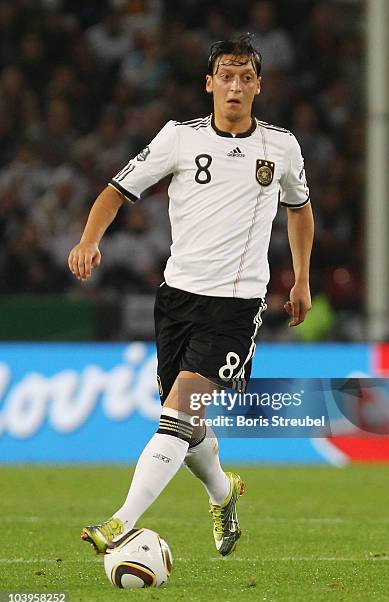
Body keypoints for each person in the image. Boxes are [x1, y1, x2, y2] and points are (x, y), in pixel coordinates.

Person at [68, 34, 313, 557]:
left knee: (178, 412)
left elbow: (300, 208)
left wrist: (302, 277)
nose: (236, 85)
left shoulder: (282, 147)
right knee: (187, 422)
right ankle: (224, 493)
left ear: (259, 87)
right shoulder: (179, 139)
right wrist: (89, 238)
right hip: (176, 299)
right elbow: (116, 191)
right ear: (209, 83)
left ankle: (120, 522)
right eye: (226, 74)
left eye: (246, 76)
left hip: (236, 307)